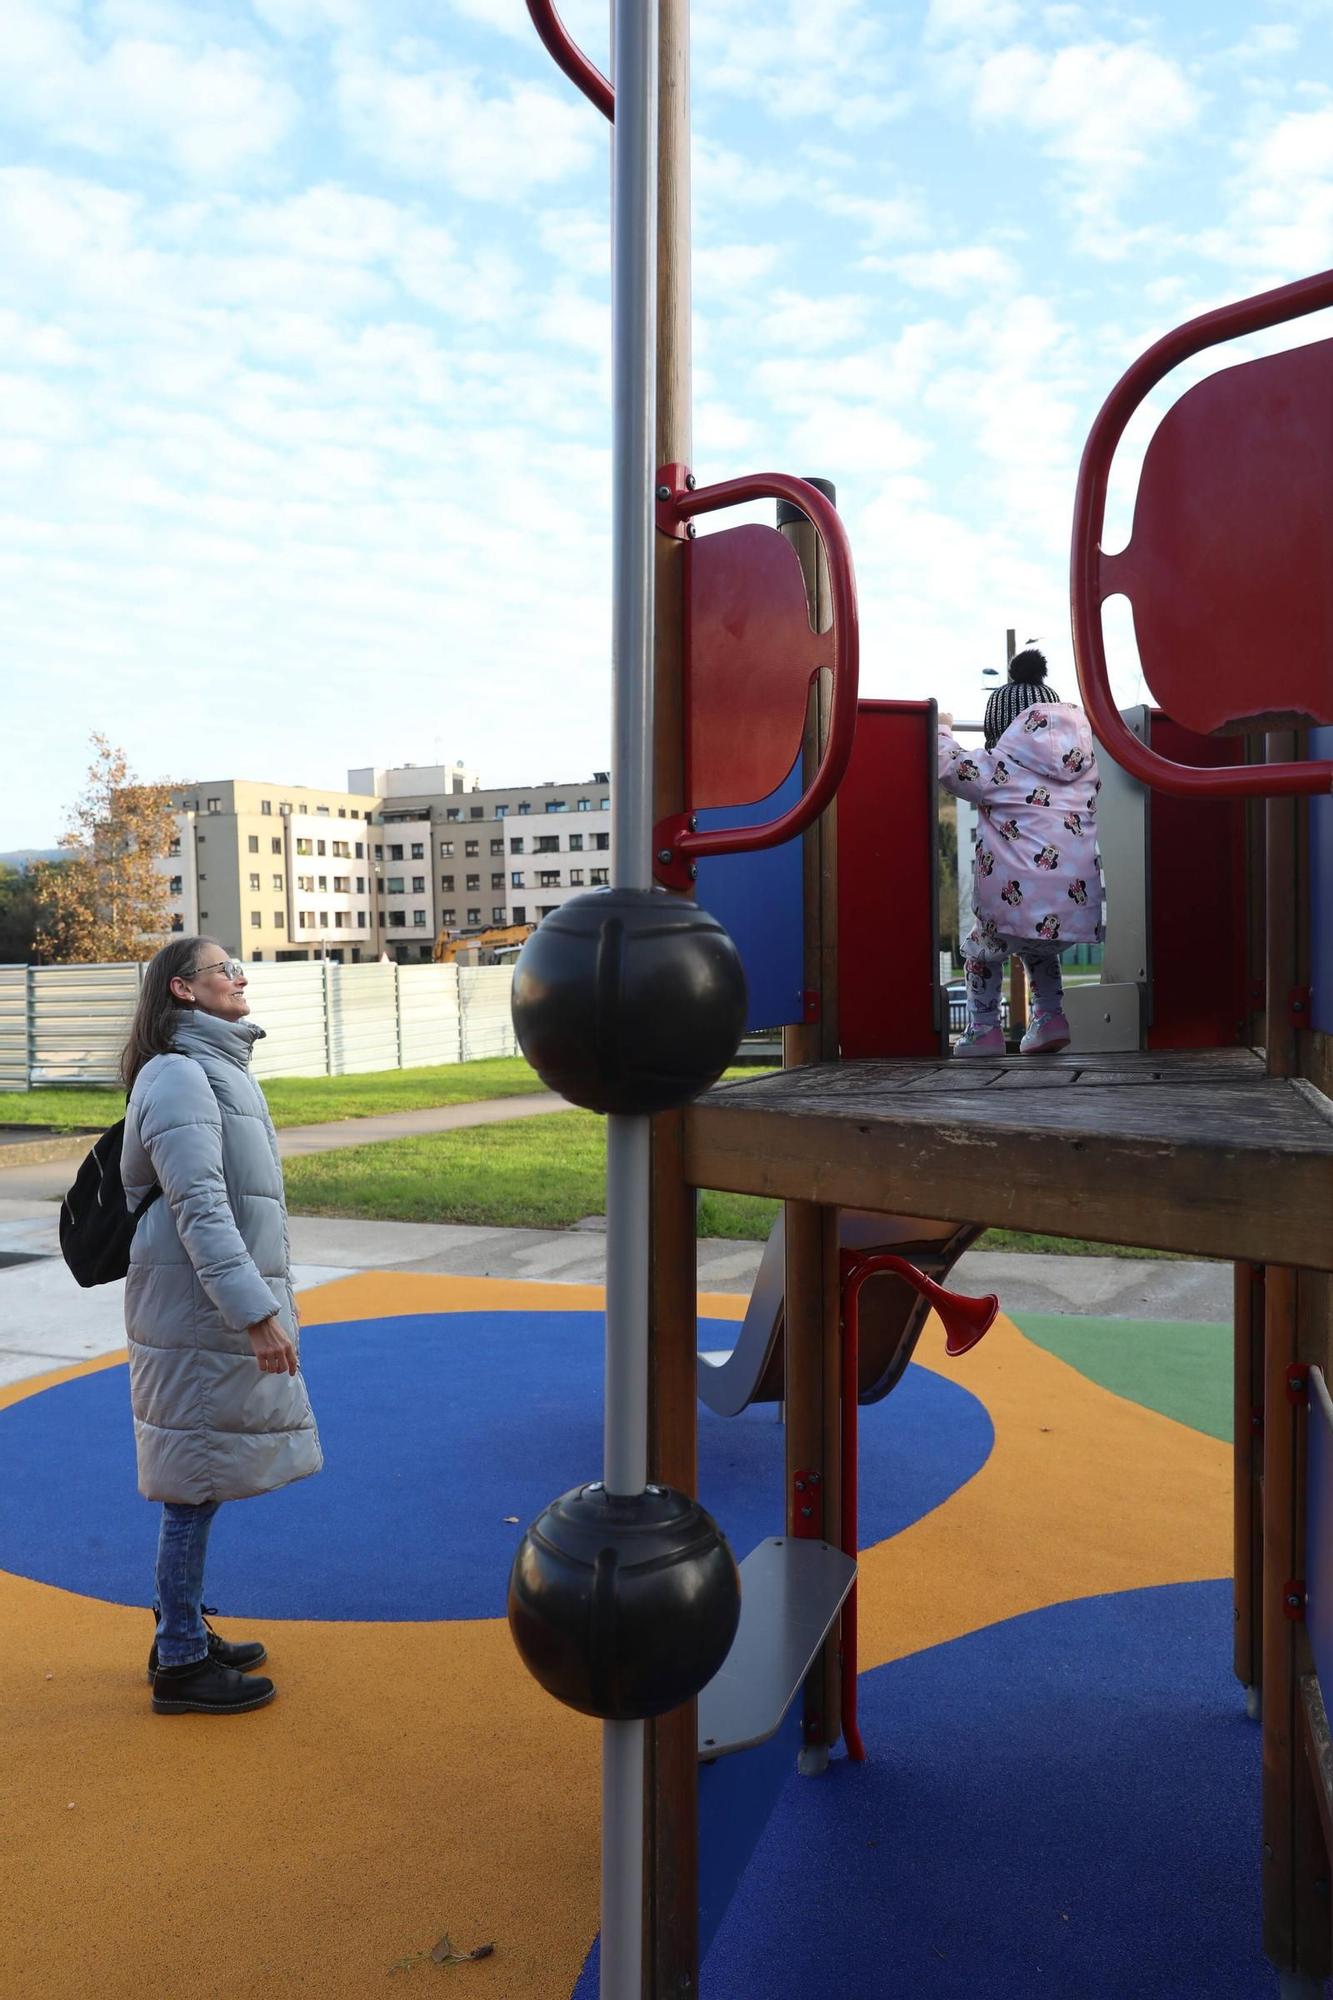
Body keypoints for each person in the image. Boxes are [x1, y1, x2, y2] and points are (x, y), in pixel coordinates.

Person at [120, 937, 322, 1715]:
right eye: (223, 968)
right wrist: (256, 1314)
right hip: (197, 1313)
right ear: (183, 989)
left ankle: (181, 1630)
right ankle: (178, 1659)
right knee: (194, 1482)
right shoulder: (179, 1074)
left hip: (202, 1307)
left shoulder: (215, 1068)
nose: (240, 977)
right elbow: (200, 1208)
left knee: (199, 1477)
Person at [938, 647, 1105, 1055]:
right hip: (1071, 903)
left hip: (1010, 904)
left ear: (1002, 730)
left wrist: (940, 729)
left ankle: (983, 1029)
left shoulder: (999, 768)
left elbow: (949, 767)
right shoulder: (1085, 770)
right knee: (1041, 949)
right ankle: (1050, 1018)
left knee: (981, 952)